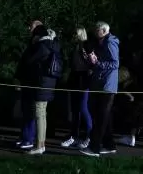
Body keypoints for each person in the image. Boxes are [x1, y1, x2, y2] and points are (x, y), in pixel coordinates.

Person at [17, 24, 60, 155]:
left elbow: (29, 61)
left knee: (39, 114)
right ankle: (41, 144)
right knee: (42, 114)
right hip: (49, 83)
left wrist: (34, 45)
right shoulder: (53, 45)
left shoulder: (42, 46)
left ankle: (40, 145)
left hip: (41, 83)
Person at [81, 21, 120, 158]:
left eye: (97, 28)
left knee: (101, 117)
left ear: (104, 30)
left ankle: (94, 148)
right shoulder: (102, 42)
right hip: (102, 83)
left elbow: (115, 64)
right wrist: (92, 60)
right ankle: (109, 145)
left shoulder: (110, 42)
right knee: (105, 117)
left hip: (107, 85)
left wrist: (97, 63)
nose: (94, 30)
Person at [61, 27, 92, 149]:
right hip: (74, 81)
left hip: (83, 82)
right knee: (75, 111)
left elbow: (90, 64)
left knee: (83, 109)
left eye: (75, 34)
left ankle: (90, 136)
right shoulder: (74, 47)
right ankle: (74, 136)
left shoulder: (86, 47)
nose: (73, 36)